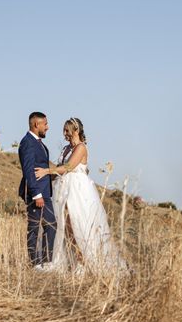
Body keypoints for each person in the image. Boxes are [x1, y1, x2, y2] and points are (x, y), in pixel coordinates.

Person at [34, 117, 123, 273]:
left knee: (77, 225)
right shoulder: (66, 149)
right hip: (63, 190)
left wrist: (47, 171)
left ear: (76, 130)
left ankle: (83, 263)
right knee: (64, 226)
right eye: (64, 131)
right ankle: (70, 261)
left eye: (67, 130)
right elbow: (60, 169)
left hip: (78, 191)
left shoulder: (81, 148)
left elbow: (68, 167)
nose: (65, 134)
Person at [18, 112, 56, 270]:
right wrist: (36, 194)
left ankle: (46, 262)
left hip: (44, 192)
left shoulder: (38, 143)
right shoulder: (28, 142)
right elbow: (28, 170)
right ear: (36, 124)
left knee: (50, 225)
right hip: (37, 194)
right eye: (45, 124)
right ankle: (36, 264)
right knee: (35, 228)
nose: (47, 127)